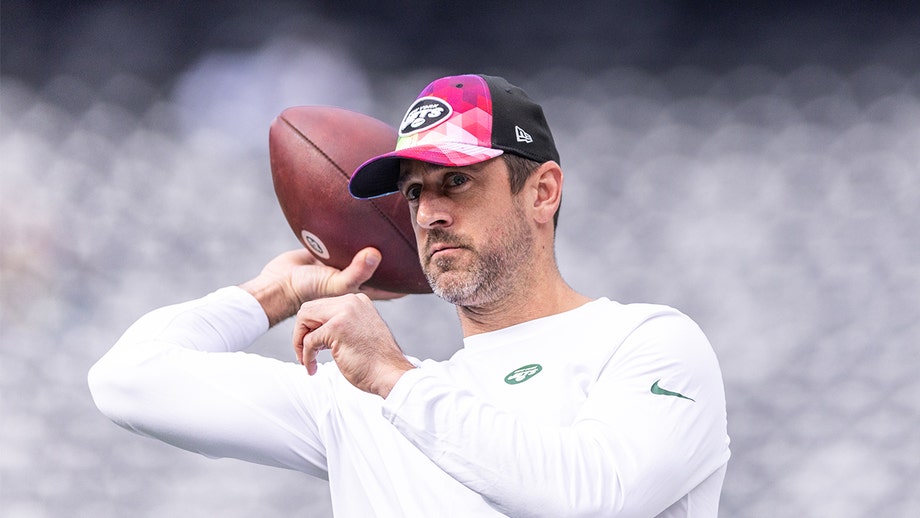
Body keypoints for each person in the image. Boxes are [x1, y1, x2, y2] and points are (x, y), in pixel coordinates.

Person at [89, 74, 730, 517]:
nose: (427, 215)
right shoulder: (365, 400)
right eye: (416, 192)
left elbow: (590, 496)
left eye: (456, 181)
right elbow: (126, 380)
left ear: (543, 191)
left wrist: (396, 378)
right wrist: (275, 292)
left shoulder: (648, 342)